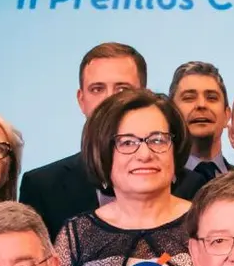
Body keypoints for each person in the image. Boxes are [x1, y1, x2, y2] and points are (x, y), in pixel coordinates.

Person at [50, 88, 203, 266]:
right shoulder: (77, 235)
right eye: (127, 142)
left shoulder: (206, 223)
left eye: (157, 139)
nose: (144, 154)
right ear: (103, 154)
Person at [19, 42, 149, 237]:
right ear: (81, 100)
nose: (109, 100)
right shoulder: (41, 187)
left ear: (144, 96)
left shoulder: (187, 184)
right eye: (97, 89)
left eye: (122, 89)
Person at [171, 61, 234, 181]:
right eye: (189, 98)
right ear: (171, 113)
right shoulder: (158, 183)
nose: (201, 105)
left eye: (211, 98)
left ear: (227, 115)